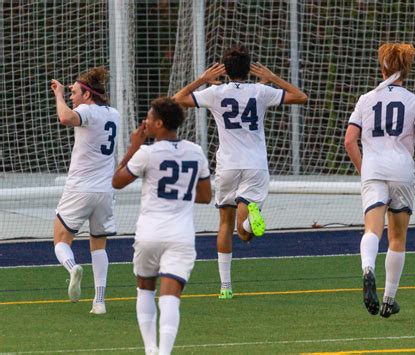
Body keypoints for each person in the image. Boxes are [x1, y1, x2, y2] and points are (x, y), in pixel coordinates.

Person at [173, 43, 307, 299]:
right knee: (245, 234)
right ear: (249, 69)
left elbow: (178, 99)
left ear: (224, 69)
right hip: (256, 165)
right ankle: (249, 219)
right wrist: (272, 78)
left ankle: (225, 287)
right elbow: (301, 97)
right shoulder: (261, 91)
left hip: (229, 166)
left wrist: (202, 79)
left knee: (225, 223)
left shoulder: (216, 92)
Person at [344, 43, 415, 318]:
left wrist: (365, 169)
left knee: (372, 230)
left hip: (373, 170)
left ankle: (367, 269)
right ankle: (388, 299)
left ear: (382, 67)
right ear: (406, 70)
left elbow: (349, 140)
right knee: (397, 237)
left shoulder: (366, 99)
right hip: (401, 172)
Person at [112, 97, 211, 355]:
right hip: (181, 235)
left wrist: (133, 147)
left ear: (159, 123)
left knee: (145, 288)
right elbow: (205, 196)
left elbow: (117, 182)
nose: (144, 121)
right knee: (170, 297)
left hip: (149, 233)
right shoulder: (196, 151)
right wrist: (180, 192)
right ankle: (164, 352)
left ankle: (149, 348)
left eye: (148, 117)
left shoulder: (147, 153)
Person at [50, 66, 120, 314]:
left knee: (60, 239)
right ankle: (99, 302)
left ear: (88, 95)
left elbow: (66, 118)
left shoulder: (86, 111)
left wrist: (58, 96)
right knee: (98, 246)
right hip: (105, 190)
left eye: (75, 92)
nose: (71, 95)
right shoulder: (114, 114)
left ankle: (72, 269)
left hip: (80, 188)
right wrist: (67, 92)